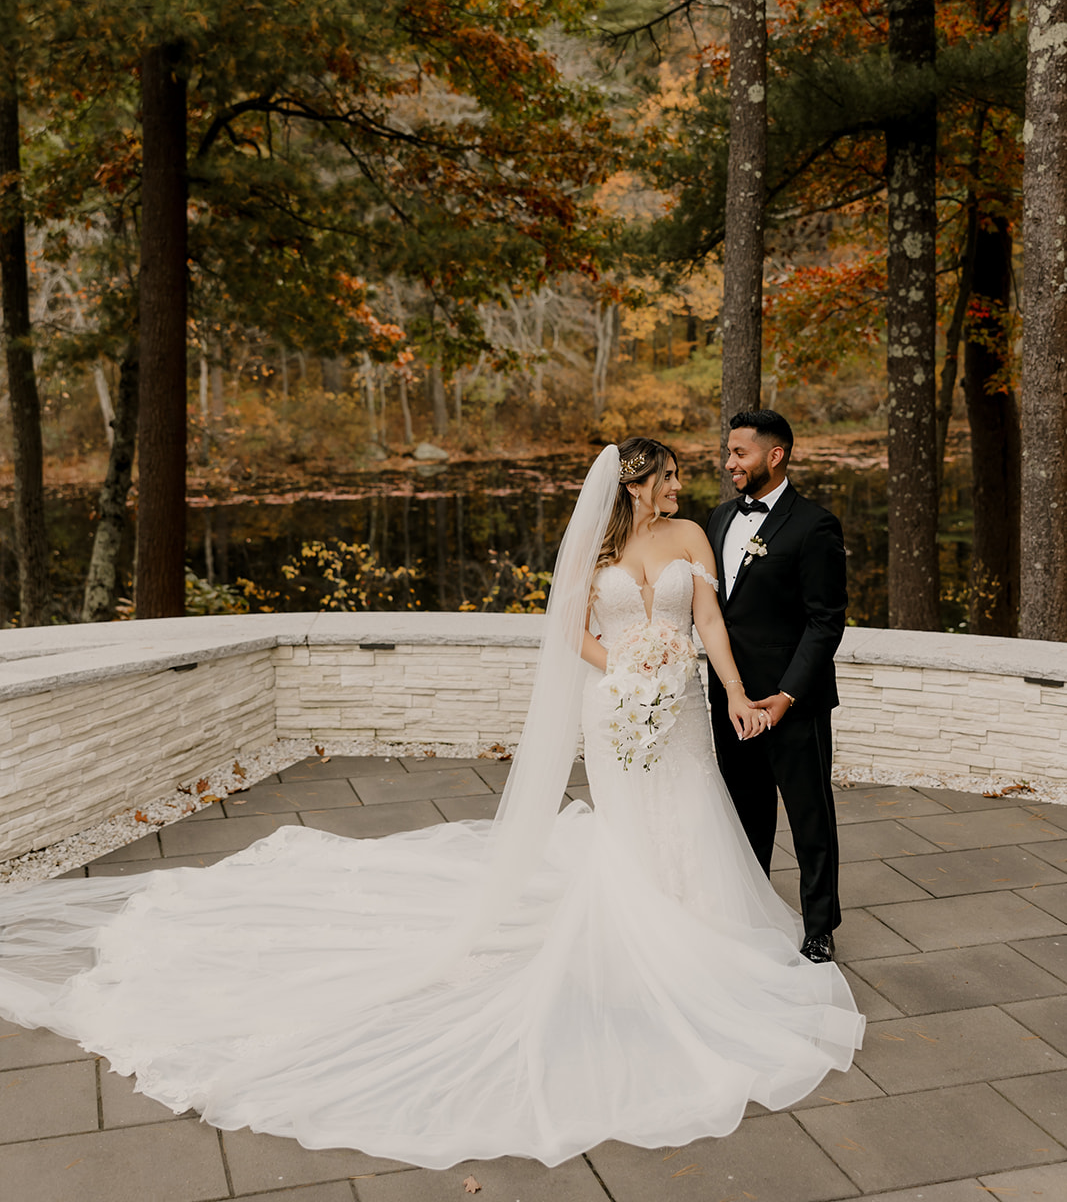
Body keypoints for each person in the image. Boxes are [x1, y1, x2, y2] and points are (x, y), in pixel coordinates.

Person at [0, 438, 862, 1169]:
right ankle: (637, 938)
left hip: (677, 713)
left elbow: (706, 624)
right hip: (618, 708)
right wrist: (626, 673)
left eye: (682, 475)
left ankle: (696, 929)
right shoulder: (593, 551)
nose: (681, 486)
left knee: (690, 808)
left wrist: (738, 695)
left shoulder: (692, 536)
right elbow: (573, 633)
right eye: (667, 476)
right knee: (634, 826)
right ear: (636, 483)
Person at [705, 410, 848, 963]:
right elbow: (716, 612)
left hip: (795, 701)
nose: (729, 463)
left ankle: (819, 924)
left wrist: (786, 696)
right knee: (745, 810)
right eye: (729, 452)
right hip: (732, 697)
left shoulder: (815, 526)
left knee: (809, 813)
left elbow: (825, 622)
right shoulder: (717, 518)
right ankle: (753, 909)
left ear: (775, 455)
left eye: (740, 453)